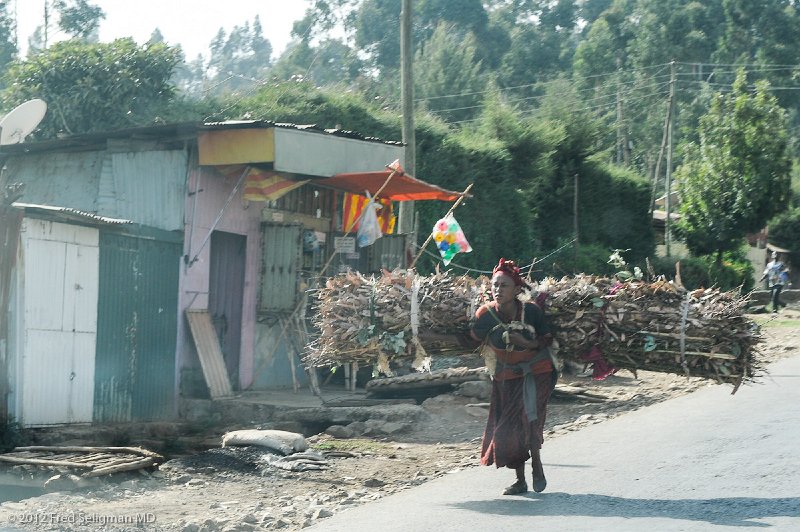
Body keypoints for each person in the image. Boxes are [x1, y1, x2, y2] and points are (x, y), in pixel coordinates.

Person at [469, 258, 557, 495]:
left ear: (517, 290)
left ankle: (537, 465)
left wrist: (526, 342)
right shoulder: (485, 315)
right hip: (506, 377)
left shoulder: (531, 312)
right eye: (495, 285)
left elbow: (546, 340)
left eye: (504, 286)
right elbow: (469, 340)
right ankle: (520, 480)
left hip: (537, 373)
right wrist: (423, 336)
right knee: (508, 429)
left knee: (530, 420)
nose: (497, 290)